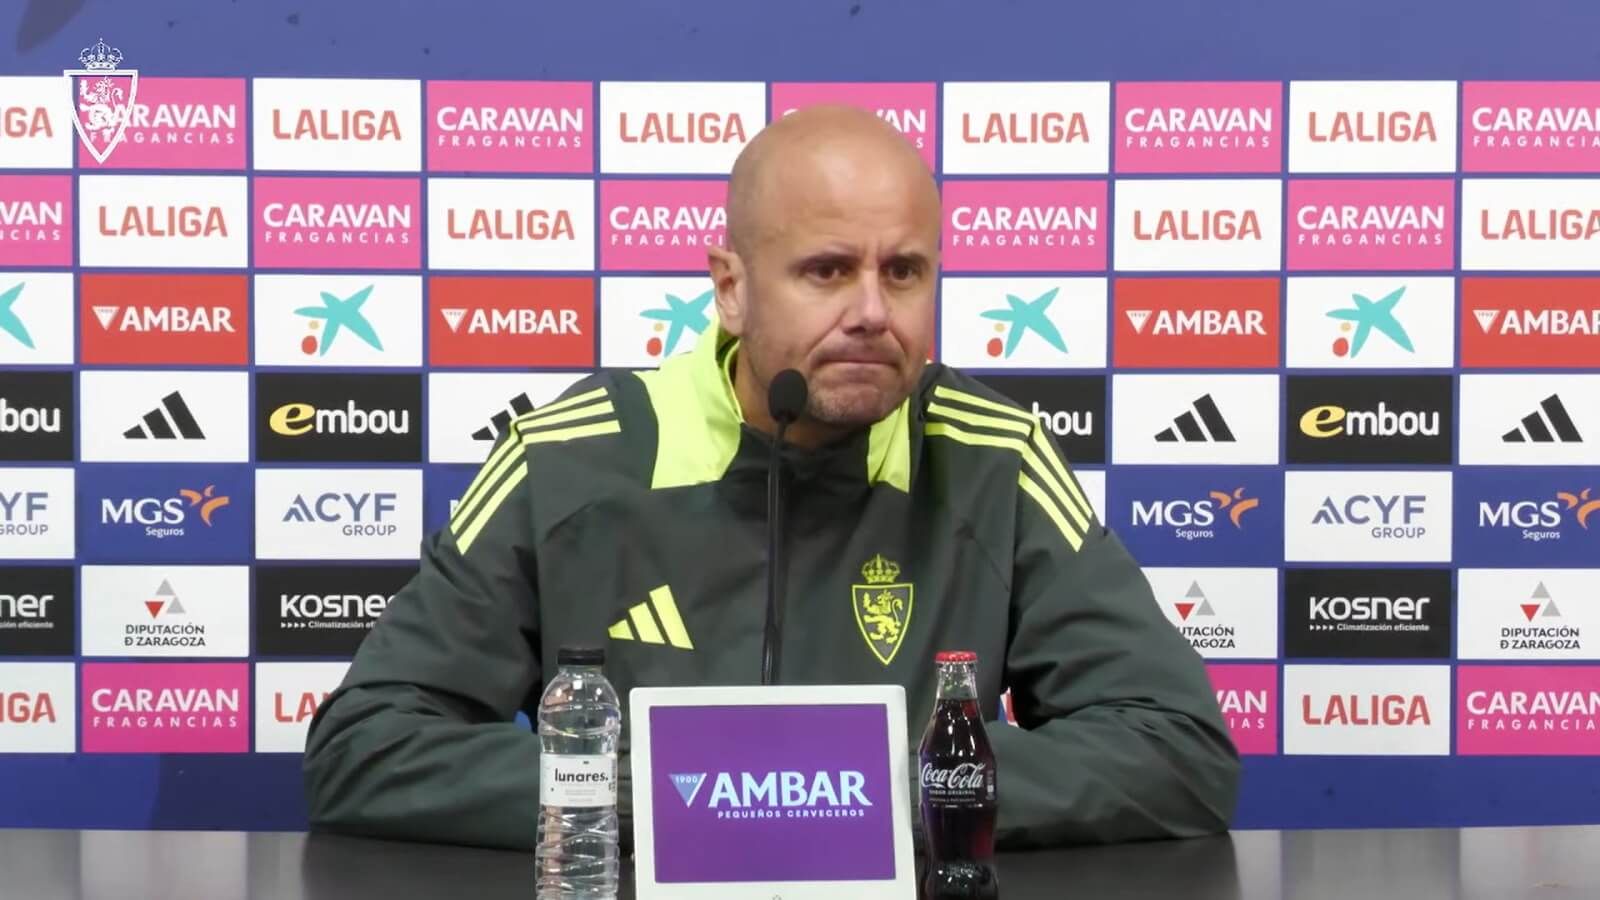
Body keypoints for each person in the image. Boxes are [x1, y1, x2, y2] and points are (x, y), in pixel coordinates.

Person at [301, 104, 1240, 852]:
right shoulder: (570, 456)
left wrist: (857, 796)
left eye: (905, 271)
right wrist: (687, 796)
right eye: (827, 271)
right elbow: (368, 750)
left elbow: (1176, 752)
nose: (873, 311)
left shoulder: (993, 456)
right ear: (731, 287)